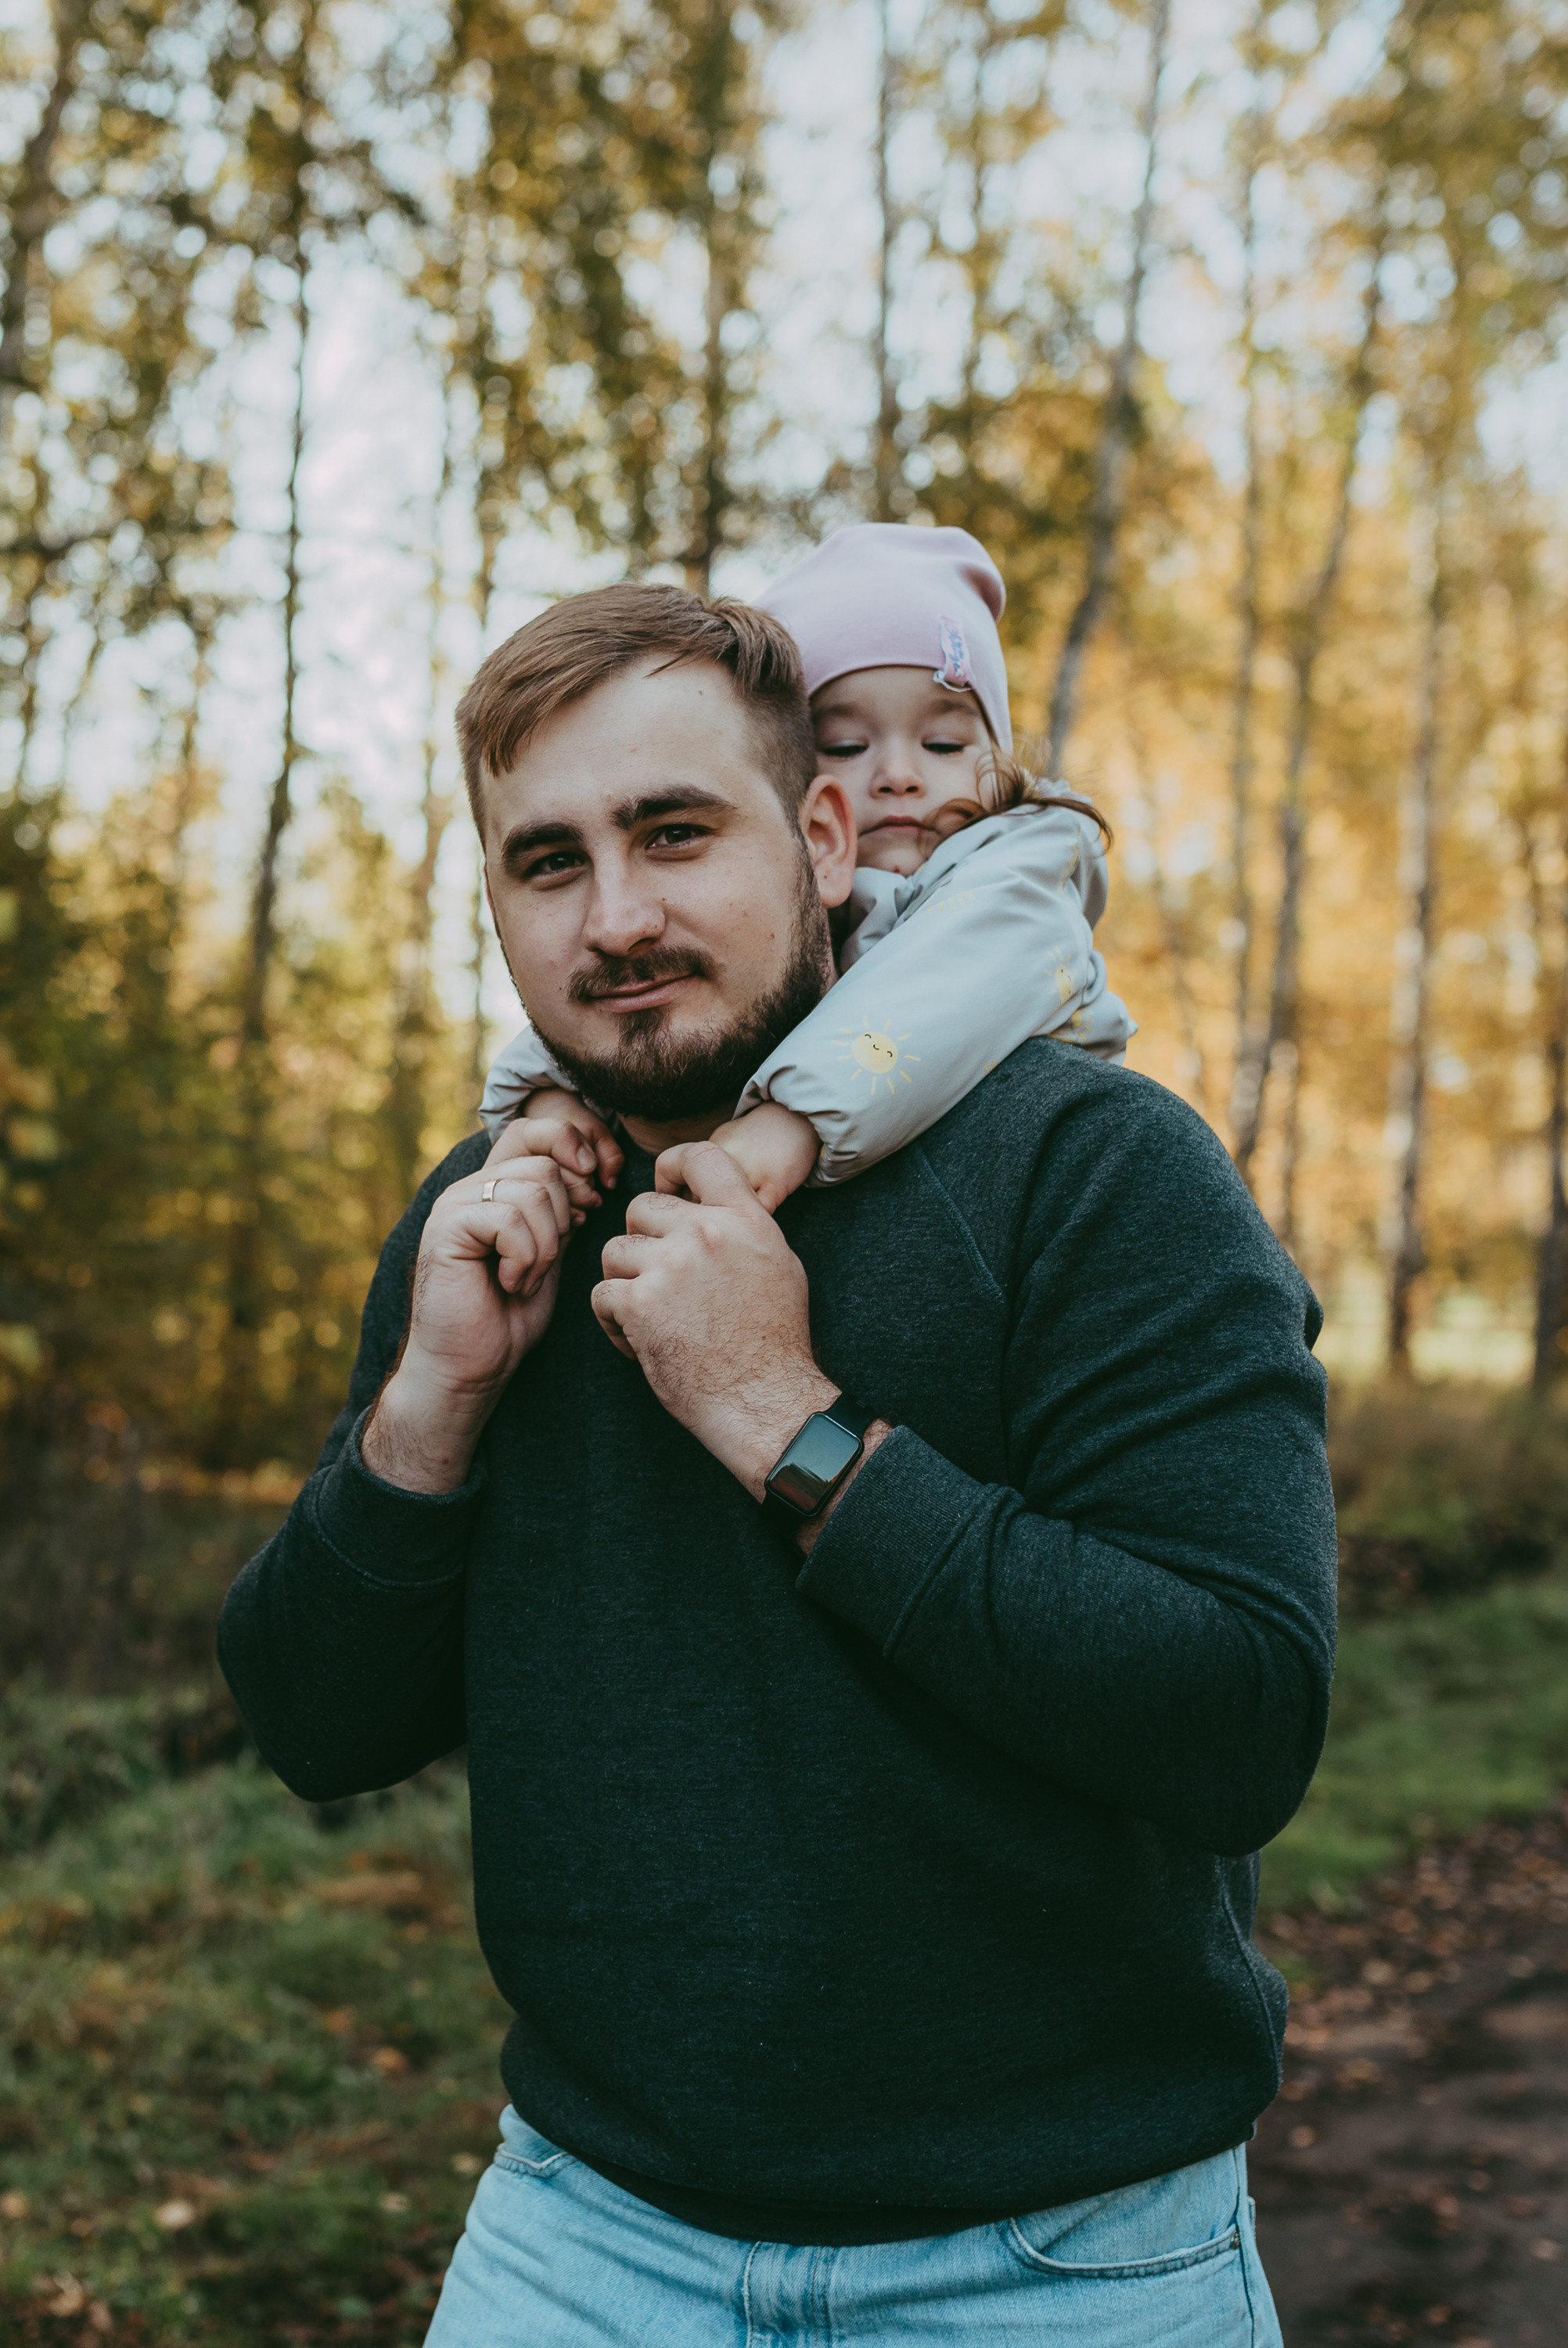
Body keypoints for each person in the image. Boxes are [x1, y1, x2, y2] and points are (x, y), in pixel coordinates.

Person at [218, 578, 1336, 2346]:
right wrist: (426, 1412)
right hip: (588, 2236)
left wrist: (786, 1424)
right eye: (549, 860)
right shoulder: (488, 1216)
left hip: (1050, 2260)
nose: (619, 917)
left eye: (674, 833)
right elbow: (315, 1723)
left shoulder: (1098, 1169)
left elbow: (1238, 1717)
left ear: (824, 835)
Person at [477, 524, 1133, 1210]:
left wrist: (793, 1121)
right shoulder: (486, 1196)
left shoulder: (1025, 867)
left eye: (944, 742)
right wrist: (544, 1092)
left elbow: (953, 990)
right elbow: (633, 983)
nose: (900, 776)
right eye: (847, 745)